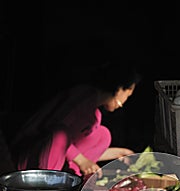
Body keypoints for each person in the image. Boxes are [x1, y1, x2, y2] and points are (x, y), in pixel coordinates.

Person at [9, 60, 141, 177]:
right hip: (30, 160)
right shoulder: (82, 97)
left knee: (103, 135)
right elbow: (55, 133)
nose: (124, 102)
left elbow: (78, 151)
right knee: (60, 134)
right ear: (119, 89)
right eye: (128, 95)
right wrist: (82, 161)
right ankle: (49, 185)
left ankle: (71, 178)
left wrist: (120, 153)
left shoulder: (95, 114)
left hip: (57, 160)